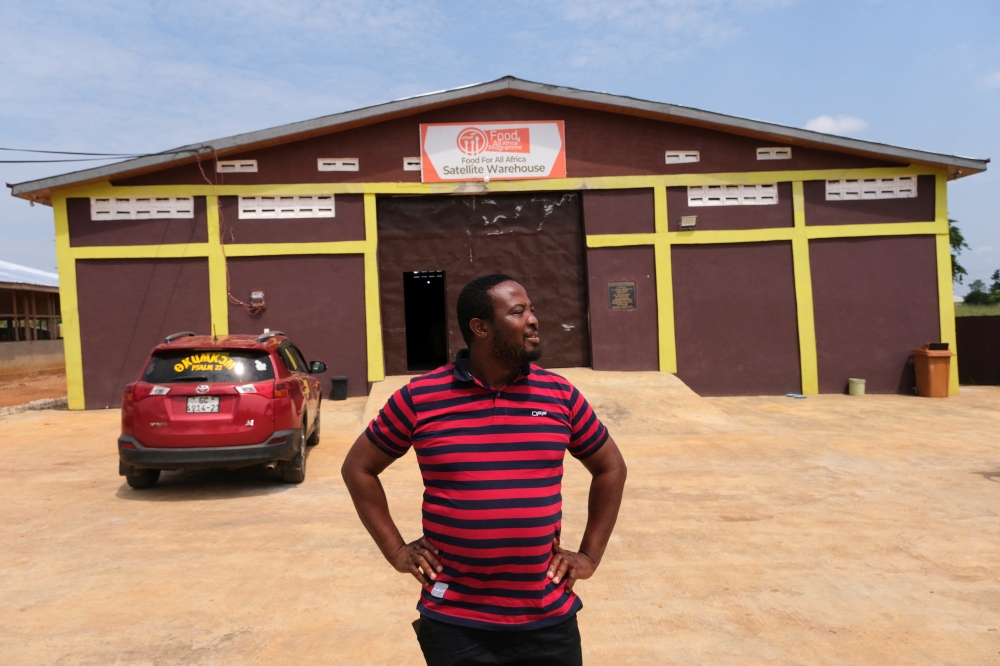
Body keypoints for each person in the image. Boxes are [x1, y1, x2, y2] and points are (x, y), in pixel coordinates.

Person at [341, 274, 627, 666]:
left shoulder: (559, 395)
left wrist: (590, 556)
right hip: (455, 621)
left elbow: (610, 466)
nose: (534, 319)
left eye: (532, 309)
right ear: (481, 328)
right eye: (518, 311)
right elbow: (358, 467)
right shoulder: (420, 397)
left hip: (546, 616)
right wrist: (396, 550)